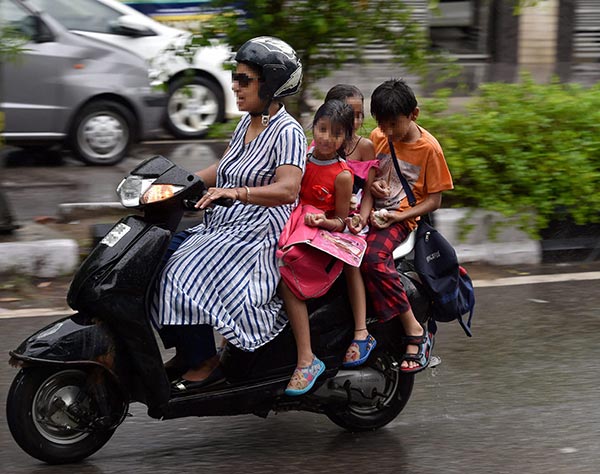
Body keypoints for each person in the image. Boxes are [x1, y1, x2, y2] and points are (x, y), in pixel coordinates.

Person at [150, 36, 307, 392]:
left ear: (268, 84)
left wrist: (238, 193)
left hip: (260, 235)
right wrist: (176, 182)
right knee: (157, 257)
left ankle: (207, 362)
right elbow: (224, 166)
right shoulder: (247, 124)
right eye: (234, 78)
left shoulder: (288, 131)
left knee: (181, 272)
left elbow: (288, 189)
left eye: (244, 80)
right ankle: (192, 350)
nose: (234, 87)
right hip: (226, 225)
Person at [362, 78, 454, 373]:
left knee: (373, 259)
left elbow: (434, 201)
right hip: (370, 211)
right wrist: (373, 186)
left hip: (402, 219)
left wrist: (399, 216)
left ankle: (415, 330)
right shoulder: (377, 136)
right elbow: (370, 173)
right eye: (381, 123)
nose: (386, 131)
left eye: (393, 124)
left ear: (414, 114)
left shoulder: (429, 149)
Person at [281, 99, 360, 396]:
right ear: (312, 128)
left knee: (287, 277)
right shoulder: (302, 157)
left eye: (335, 133)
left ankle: (306, 359)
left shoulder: (342, 175)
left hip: (317, 237)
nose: (326, 138)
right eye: (322, 129)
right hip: (292, 224)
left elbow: (340, 220)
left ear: (345, 139)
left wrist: (321, 222)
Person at [323, 84, 378, 368]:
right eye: (350, 116)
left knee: (349, 258)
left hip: (354, 219)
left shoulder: (365, 146)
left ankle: (360, 331)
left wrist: (362, 217)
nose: (356, 123)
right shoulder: (321, 144)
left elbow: (369, 190)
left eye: (359, 116)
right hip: (328, 215)